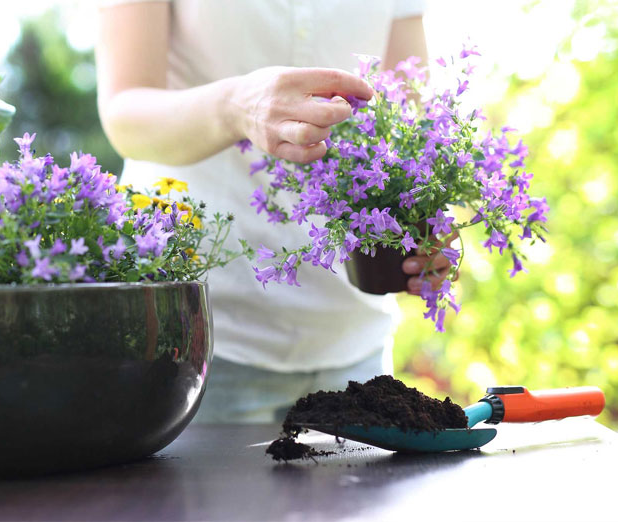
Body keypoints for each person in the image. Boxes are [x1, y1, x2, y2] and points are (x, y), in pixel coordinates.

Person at [95, 0, 453, 423]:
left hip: (353, 339)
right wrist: (235, 105)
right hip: (200, 340)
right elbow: (125, 115)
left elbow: (410, 116)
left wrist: (428, 218)